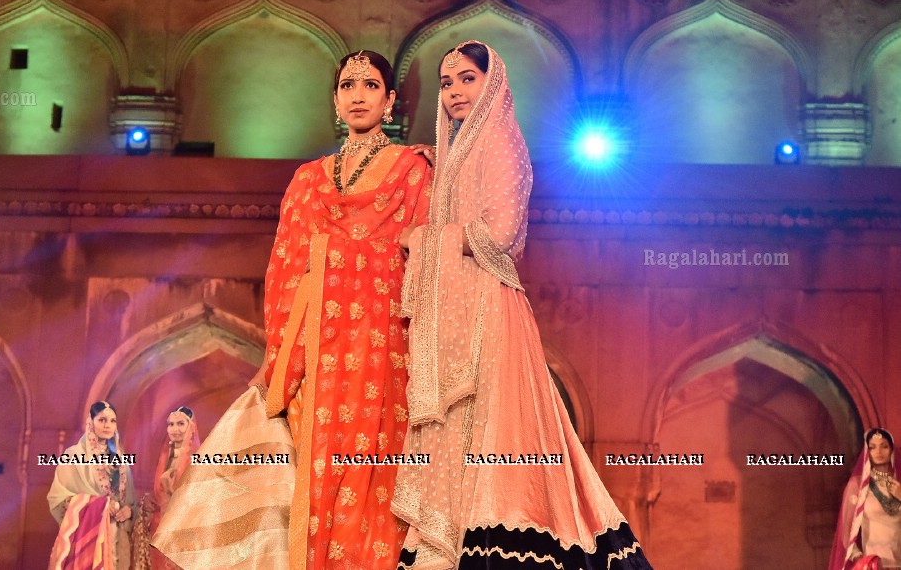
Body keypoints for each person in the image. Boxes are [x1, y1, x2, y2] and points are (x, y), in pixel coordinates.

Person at [156, 49, 433, 570]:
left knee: (374, 471)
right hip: (312, 350)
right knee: (310, 471)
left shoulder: (412, 170)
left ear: (391, 100)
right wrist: (276, 355)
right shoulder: (308, 179)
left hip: (382, 342)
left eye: (370, 85)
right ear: (334, 100)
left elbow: (424, 261)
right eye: (347, 85)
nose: (357, 95)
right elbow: (284, 268)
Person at [392, 41, 652, 569]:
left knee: (495, 435)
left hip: (488, 308)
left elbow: (502, 234)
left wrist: (423, 239)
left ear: (493, 84)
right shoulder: (453, 156)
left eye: (467, 78)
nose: (455, 92)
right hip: (451, 312)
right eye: (446, 83)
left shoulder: (503, 142)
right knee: (454, 435)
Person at [48, 401, 137, 570]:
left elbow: (130, 501)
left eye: (112, 421)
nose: (107, 425)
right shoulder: (73, 455)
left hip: (118, 537)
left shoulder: (121, 460)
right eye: (102, 420)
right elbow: (59, 499)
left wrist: (129, 511)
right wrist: (100, 505)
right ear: (91, 422)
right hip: (88, 536)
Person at [133, 407, 198, 570]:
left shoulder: (198, 458)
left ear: (191, 427)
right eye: (171, 424)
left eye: (181, 424)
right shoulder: (165, 456)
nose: (175, 429)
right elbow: (160, 493)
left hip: (184, 527)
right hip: (160, 525)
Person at [830, 428, 901, 569]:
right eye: (873, 447)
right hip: (874, 565)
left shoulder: (899, 483)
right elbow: (846, 533)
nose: (878, 452)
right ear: (867, 452)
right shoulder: (858, 486)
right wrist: (861, 560)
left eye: (884, 446)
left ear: (892, 450)